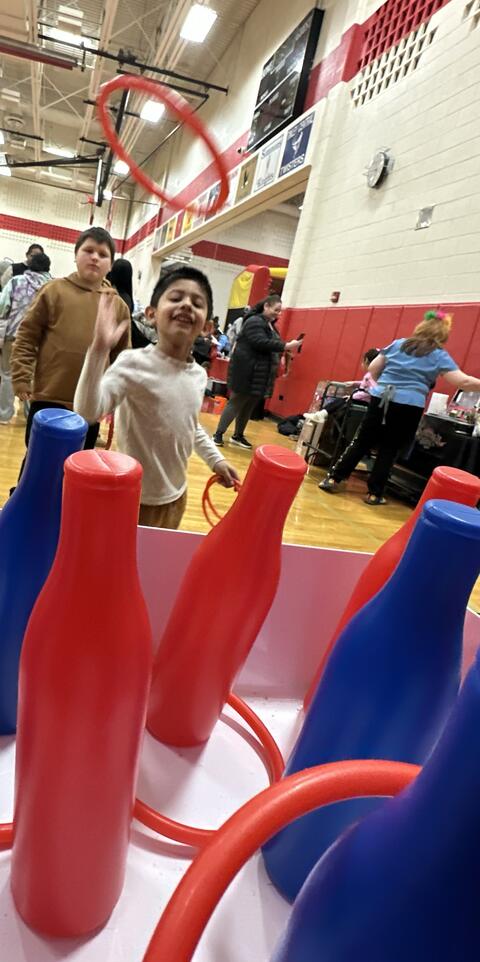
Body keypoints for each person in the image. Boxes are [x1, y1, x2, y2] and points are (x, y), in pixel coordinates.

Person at [74, 265, 239, 530]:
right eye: (175, 298)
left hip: (175, 497)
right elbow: (88, 412)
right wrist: (97, 352)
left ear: (207, 326)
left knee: (154, 567)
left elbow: (189, 425)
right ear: (151, 314)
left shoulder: (198, 375)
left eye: (197, 302)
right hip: (131, 498)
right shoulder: (133, 363)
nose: (186, 305)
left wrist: (215, 459)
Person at [319, 310, 480, 505]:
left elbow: (373, 369)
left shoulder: (398, 344)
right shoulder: (438, 355)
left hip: (381, 399)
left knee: (362, 441)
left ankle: (333, 478)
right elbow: (462, 381)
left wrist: (383, 385)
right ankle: (374, 494)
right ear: (442, 335)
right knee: (389, 448)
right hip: (409, 406)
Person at [11, 227, 130, 466]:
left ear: (110, 264)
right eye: (88, 250)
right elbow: (26, 336)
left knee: (79, 468)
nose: (95, 257)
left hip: (90, 406)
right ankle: (27, 502)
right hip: (48, 397)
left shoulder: (117, 306)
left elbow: (123, 360)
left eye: (102, 254)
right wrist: (21, 376)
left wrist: (114, 400)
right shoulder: (54, 290)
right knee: (37, 463)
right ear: (76, 256)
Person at [212, 295, 302, 449]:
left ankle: (238, 436)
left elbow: (269, 343)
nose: (278, 314)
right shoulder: (255, 321)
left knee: (248, 405)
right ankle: (218, 434)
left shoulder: (269, 325)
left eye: (280, 311)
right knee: (236, 402)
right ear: (266, 306)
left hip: (258, 373)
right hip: (246, 371)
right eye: (276, 310)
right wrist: (286, 346)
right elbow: (260, 342)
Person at [0, 252, 52, 424]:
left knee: (7, 375)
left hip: (13, 336)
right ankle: (32, 416)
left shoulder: (15, 282)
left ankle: (4, 415)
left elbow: (2, 307)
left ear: (30, 265)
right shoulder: (52, 287)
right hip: (41, 340)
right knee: (35, 378)